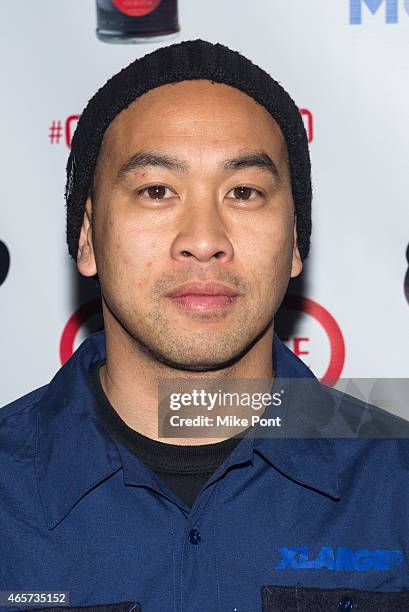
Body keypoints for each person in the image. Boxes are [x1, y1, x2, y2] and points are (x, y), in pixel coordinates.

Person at [1, 39, 409, 612]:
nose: (202, 239)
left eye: (243, 192)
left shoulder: (397, 487)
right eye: (156, 191)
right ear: (88, 236)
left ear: (295, 241)